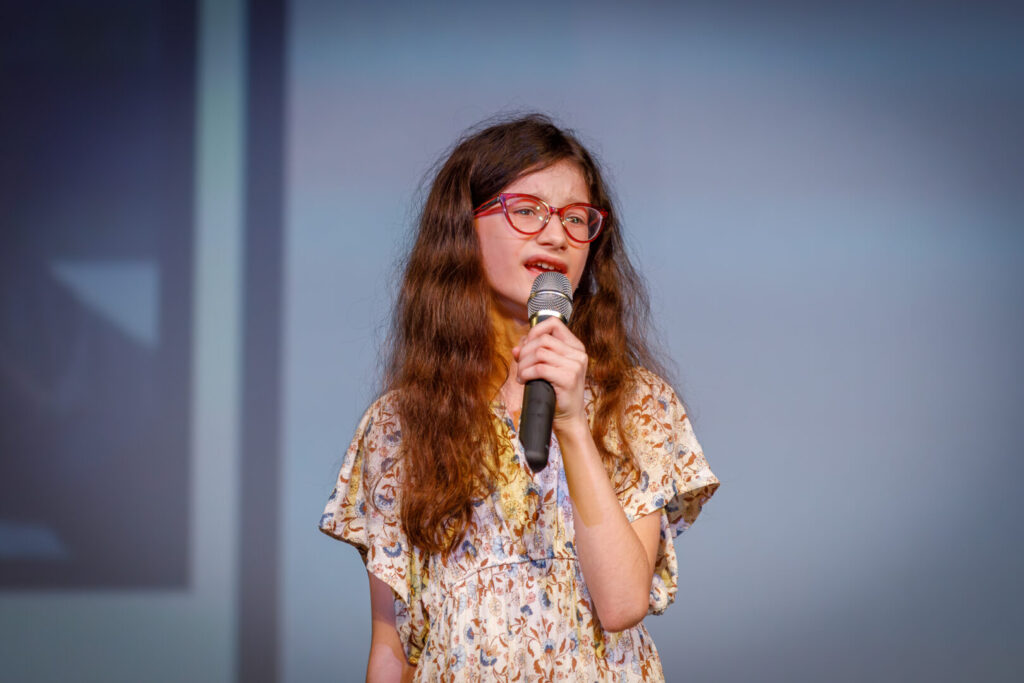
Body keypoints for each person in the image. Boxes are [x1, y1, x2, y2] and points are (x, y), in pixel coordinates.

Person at [319, 114, 719, 682]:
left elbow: (622, 603)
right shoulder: (399, 425)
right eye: (527, 210)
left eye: (576, 218)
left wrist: (573, 423)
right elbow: (394, 647)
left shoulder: (634, 404)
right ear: (463, 227)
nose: (556, 235)